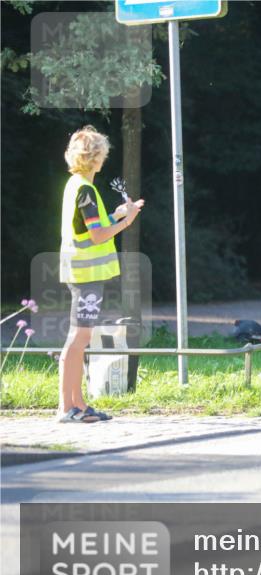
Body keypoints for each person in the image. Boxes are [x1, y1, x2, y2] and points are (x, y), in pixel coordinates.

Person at [57, 125, 144, 423]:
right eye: (102, 155)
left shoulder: (76, 185)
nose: (104, 159)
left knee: (78, 338)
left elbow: (88, 227)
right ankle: (70, 407)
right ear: (95, 158)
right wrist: (127, 221)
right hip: (86, 275)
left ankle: (73, 405)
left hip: (81, 273)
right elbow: (97, 236)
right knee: (79, 338)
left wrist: (116, 214)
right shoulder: (86, 190)